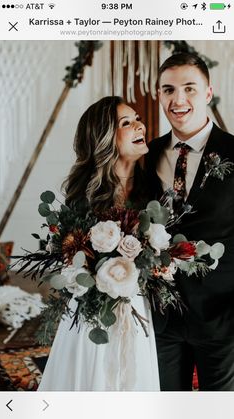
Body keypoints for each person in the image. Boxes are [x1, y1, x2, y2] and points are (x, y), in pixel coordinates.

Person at [38, 96, 160, 391]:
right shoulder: (84, 198)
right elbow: (70, 262)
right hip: (93, 312)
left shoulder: (154, 189)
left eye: (137, 119)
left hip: (138, 308)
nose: (139, 125)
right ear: (105, 138)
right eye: (126, 123)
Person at [146, 52, 234, 391]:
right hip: (162, 318)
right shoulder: (147, 154)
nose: (178, 99)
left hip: (221, 318)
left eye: (189, 89)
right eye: (168, 90)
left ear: (208, 93)